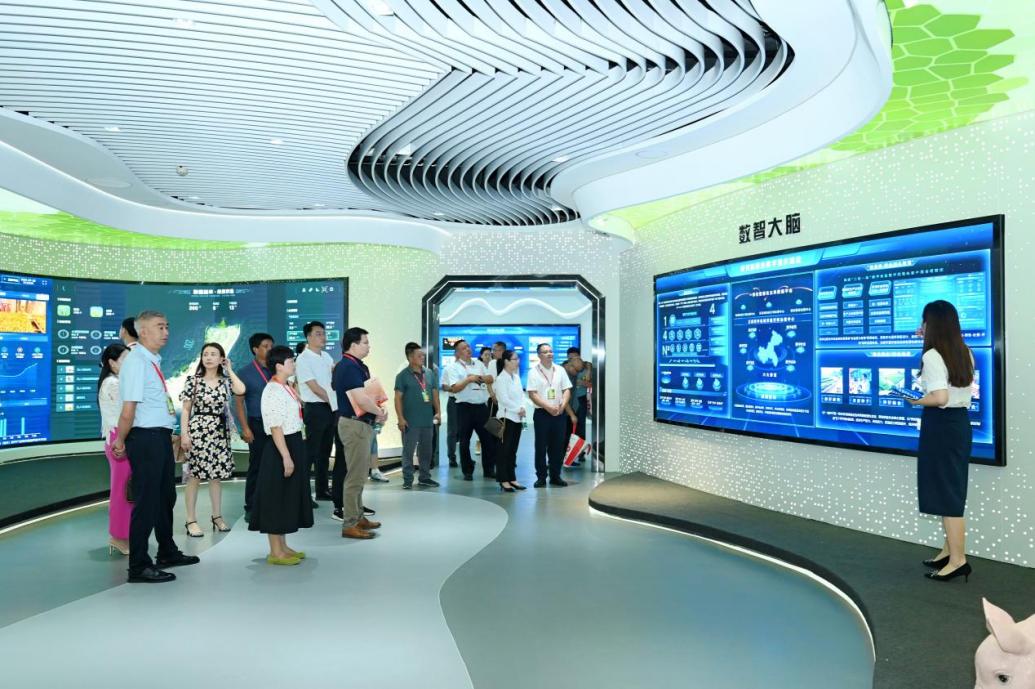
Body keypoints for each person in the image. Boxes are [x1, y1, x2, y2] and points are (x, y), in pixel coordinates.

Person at [111, 310, 199, 583]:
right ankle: (138, 565)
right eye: (160, 327)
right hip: (145, 438)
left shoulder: (151, 360)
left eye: (167, 326)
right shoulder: (137, 362)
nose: (166, 332)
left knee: (164, 498)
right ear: (143, 331)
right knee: (147, 501)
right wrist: (120, 440)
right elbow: (129, 409)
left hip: (158, 437)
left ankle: (167, 551)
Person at [905, 299, 975, 583]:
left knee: (947, 496)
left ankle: (958, 561)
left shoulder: (933, 355)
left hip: (941, 425)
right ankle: (949, 551)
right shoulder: (964, 351)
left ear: (931, 324)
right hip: (958, 425)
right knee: (951, 490)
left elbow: (940, 398)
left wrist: (915, 400)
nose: (919, 327)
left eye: (923, 322)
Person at [248, 345, 314, 565]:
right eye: (290, 361)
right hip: (280, 447)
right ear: (279, 366)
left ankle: (283, 547)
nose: (294, 364)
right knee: (276, 498)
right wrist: (286, 456)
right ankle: (275, 552)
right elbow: (275, 427)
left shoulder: (285, 386)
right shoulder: (273, 390)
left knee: (285, 496)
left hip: (293, 442)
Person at [180, 342, 246, 536]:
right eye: (205, 354)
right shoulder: (193, 380)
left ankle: (217, 516)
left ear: (221, 358)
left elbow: (241, 389)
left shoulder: (225, 381)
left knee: (216, 477)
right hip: (198, 431)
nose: (208, 357)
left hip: (219, 433)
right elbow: (186, 410)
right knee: (194, 477)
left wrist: (229, 370)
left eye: (213, 354)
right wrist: (184, 434)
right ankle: (191, 520)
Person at [333, 327, 386, 539]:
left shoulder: (357, 365)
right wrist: (380, 412)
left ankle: (358, 516)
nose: (368, 346)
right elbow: (361, 399)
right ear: (353, 345)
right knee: (354, 477)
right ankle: (350, 524)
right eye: (365, 342)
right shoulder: (348, 367)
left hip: (361, 423)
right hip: (354, 425)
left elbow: (368, 394)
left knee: (360, 474)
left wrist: (377, 410)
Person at [296, 321, 337, 502]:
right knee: (310, 453)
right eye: (318, 334)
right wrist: (333, 401)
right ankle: (303, 495)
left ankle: (322, 490)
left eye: (324, 333)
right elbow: (314, 387)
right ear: (309, 337)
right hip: (315, 409)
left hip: (330, 408)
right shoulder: (303, 359)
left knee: (325, 452)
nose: (323, 337)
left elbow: (333, 378)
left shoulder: (326, 356)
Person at [443, 339, 496, 480]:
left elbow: (490, 378)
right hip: (464, 408)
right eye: (464, 348)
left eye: (468, 347)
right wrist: (469, 379)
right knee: (464, 441)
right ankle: (467, 471)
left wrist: (479, 378)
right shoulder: (453, 368)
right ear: (457, 352)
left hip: (481, 407)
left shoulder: (479, 363)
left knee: (487, 439)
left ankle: (489, 470)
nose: (468, 349)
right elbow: (455, 388)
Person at [234, 332, 274, 521]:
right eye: (265, 346)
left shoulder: (277, 369)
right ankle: (251, 506)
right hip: (257, 424)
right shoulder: (244, 373)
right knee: (257, 466)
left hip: (277, 425)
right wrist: (245, 428)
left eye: (271, 346)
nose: (270, 349)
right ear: (255, 349)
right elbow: (238, 404)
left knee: (277, 465)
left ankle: (272, 503)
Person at [98, 343, 131, 555]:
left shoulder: (114, 382)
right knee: (122, 492)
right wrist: (123, 440)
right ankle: (118, 537)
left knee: (125, 490)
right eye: (125, 359)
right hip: (120, 439)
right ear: (112, 362)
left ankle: (123, 535)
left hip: (119, 437)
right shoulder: (113, 383)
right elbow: (124, 414)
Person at [394, 342, 441, 489]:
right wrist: (400, 418)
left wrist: (438, 412)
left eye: (423, 355)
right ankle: (408, 480)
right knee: (408, 452)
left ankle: (424, 477)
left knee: (426, 451)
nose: (423, 357)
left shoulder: (429, 373)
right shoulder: (402, 376)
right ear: (410, 357)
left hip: (427, 420)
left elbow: (434, 394)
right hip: (410, 421)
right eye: (419, 355)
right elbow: (397, 398)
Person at [527, 342, 572, 488]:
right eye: (545, 352)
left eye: (551, 351)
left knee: (557, 446)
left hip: (559, 413)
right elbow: (532, 394)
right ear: (539, 355)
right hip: (542, 414)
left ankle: (555, 476)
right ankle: (541, 477)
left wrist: (562, 406)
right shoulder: (533, 372)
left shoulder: (560, 370)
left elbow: (567, 389)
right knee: (541, 446)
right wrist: (548, 407)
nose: (549, 354)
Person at [493, 349, 527, 492]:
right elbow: (503, 399)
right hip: (506, 418)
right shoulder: (501, 379)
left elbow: (522, 395)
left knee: (513, 450)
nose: (518, 361)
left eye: (518, 359)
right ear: (506, 361)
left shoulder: (516, 377)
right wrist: (518, 409)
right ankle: (503, 479)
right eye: (515, 359)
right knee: (504, 450)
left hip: (517, 418)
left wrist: (523, 407)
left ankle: (512, 478)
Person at [474, 346, 495, 456]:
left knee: (491, 422)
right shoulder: (477, 366)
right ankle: (478, 443)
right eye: (485, 354)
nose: (488, 357)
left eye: (490, 355)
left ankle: (491, 445)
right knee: (481, 424)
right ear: (481, 355)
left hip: (491, 398)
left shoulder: (493, 366)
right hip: (480, 398)